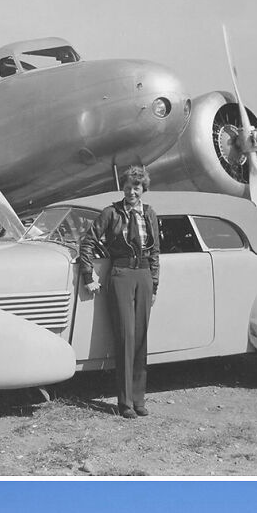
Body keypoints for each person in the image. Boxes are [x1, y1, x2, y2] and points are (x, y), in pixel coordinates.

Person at [78, 166, 160, 419]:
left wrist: (154, 284)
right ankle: (124, 403)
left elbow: (155, 251)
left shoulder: (149, 214)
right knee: (126, 336)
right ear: (122, 189)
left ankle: (139, 399)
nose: (131, 192)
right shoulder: (111, 213)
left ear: (143, 189)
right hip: (121, 275)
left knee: (141, 339)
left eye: (136, 187)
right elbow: (88, 242)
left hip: (144, 276)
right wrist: (87, 274)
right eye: (127, 187)